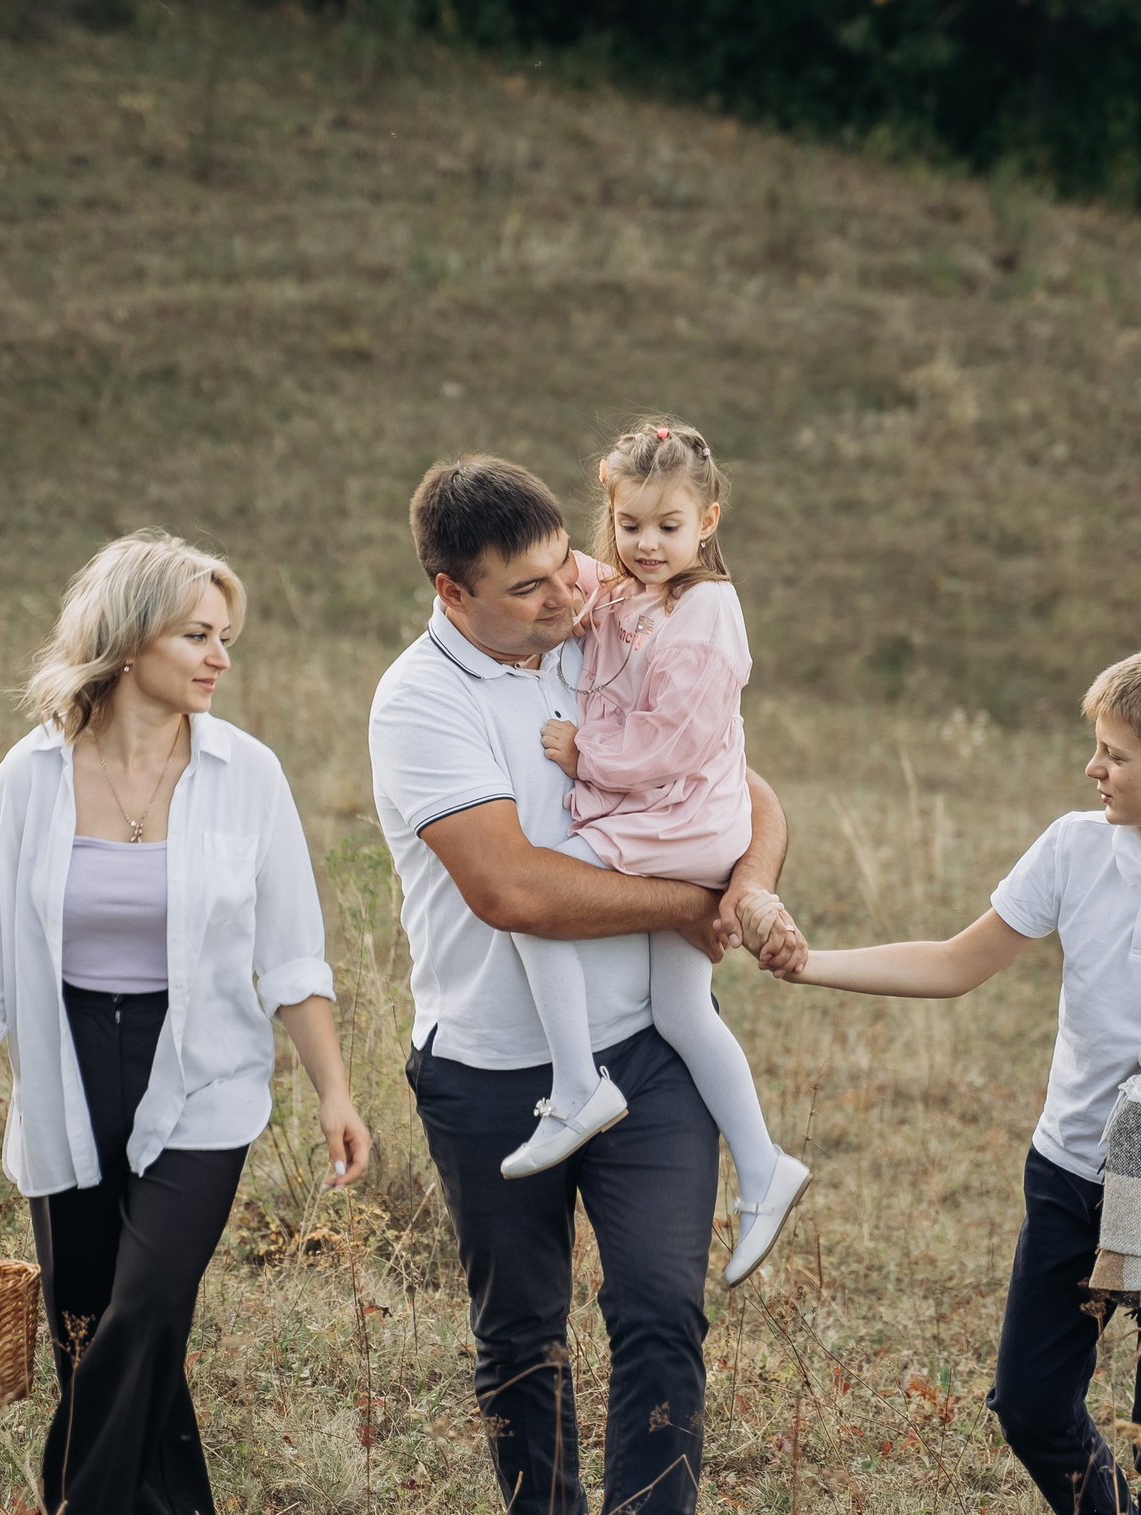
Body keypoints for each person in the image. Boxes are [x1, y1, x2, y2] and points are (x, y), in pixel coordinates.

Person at [779, 642, 1141, 1515]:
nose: (1092, 767)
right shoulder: (1073, 848)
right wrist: (807, 963)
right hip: (1069, 1173)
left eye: (1115, 754)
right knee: (1029, 1404)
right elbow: (952, 963)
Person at [0, 530, 373, 1515]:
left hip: (206, 1073)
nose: (221, 657)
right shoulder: (31, 779)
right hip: (69, 1071)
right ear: (129, 643)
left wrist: (334, 1094)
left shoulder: (246, 776)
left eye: (225, 636)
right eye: (196, 636)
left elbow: (293, 958)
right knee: (88, 1331)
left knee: (142, 1310)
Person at [369, 454, 794, 1515]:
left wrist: (747, 892)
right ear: (451, 594)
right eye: (529, 586)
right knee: (521, 1338)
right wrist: (686, 908)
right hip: (488, 1073)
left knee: (659, 1311)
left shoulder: (596, 633)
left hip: (645, 1058)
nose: (568, 592)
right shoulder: (419, 702)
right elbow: (512, 891)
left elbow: (747, 793)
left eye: (567, 563)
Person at [509, 419, 811, 1290]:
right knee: (684, 1010)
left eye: (668, 527)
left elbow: (675, 741)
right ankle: (761, 1166)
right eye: (630, 524)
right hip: (678, 813)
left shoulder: (708, 610)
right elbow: (571, 586)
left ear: (707, 522)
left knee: (539, 900)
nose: (646, 544)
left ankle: (577, 1086)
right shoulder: (623, 589)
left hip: (678, 814)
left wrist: (585, 755)